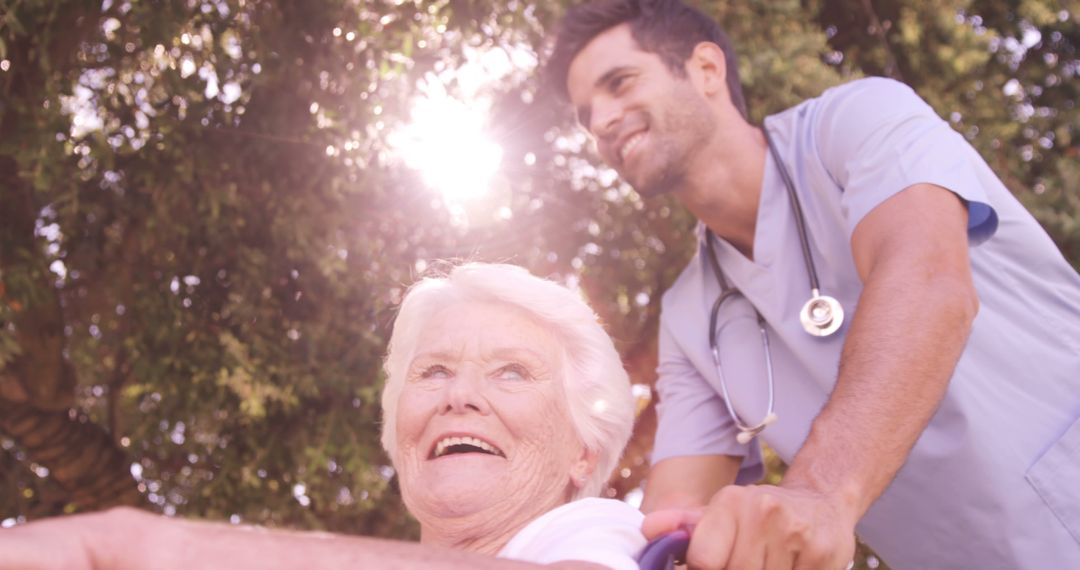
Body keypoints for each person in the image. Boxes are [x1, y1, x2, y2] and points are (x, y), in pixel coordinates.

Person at [546, 0, 1080, 568]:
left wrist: (820, 494)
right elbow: (676, 507)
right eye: (586, 114)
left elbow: (929, 280)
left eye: (620, 82)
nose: (601, 122)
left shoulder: (857, 119)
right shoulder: (687, 314)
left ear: (706, 70)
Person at [0, 263, 646, 570]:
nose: (460, 396)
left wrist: (126, 545)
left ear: (582, 452)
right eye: (434, 372)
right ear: (398, 434)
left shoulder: (598, 533)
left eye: (511, 372)